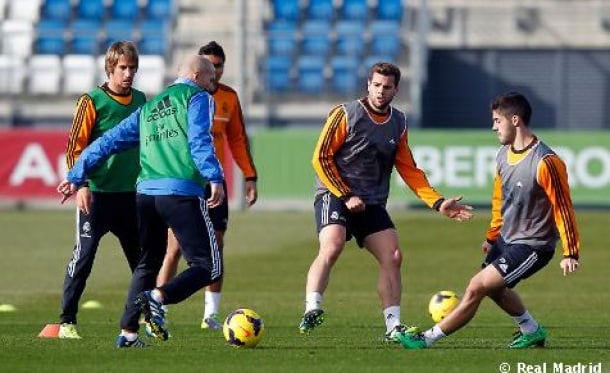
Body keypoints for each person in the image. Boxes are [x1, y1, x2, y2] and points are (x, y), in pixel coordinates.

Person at [57, 55, 225, 348]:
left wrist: (76, 174)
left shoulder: (150, 107)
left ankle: (128, 333)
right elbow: (200, 140)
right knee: (208, 266)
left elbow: (108, 141)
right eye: (211, 80)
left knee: (147, 263)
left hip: (145, 196)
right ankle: (157, 297)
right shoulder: (197, 98)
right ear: (198, 75)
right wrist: (214, 177)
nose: (213, 86)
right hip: (180, 191)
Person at [299, 62, 474, 343]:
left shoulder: (398, 122)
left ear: (396, 89)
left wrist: (438, 202)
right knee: (332, 245)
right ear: (368, 84)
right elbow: (320, 158)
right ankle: (312, 308)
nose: (381, 91)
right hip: (335, 193)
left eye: (387, 87)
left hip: (371, 201)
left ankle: (393, 327)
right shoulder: (345, 114)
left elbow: (409, 169)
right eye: (376, 85)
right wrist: (346, 194)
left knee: (393, 256)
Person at [398, 92, 581, 349]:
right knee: (494, 289)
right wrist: (492, 237)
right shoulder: (502, 156)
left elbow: (563, 207)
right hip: (507, 239)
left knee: (477, 286)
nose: (493, 126)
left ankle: (426, 339)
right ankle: (532, 330)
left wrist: (570, 252)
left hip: (533, 245)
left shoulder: (546, 162)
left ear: (515, 120)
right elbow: (500, 201)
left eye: (497, 120)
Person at [155, 41, 258, 330]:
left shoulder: (229, 98)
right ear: (199, 69)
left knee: (217, 246)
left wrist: (249, 176)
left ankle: (209, 314)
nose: (217, 71)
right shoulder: (180, 98)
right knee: (174, 248)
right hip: (187, 181)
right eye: (211, 65)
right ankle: (157, 310)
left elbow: (237, 139)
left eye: (220, 66)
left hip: (215, 183)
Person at [58, 41, 146, 339]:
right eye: (123, 67)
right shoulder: (91, 100)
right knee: (83, 258)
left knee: (142, 260)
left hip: (130, 196)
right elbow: (74, 148)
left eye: (133, 68)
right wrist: (81, 184)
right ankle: (67, 320)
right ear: (110, 67)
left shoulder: (142, 101)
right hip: (95, 196)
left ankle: (142, 319)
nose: (128, 73)